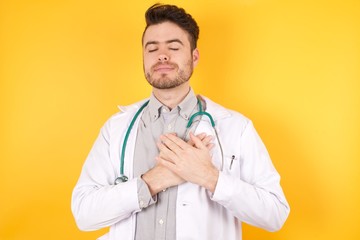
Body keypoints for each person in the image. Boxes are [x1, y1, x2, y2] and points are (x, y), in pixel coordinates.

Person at [71, 3, 290, 240]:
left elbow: (275, 213)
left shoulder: (236, 128)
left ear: (194, 57)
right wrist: (153, 181)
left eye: (173, 47)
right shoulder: (116, 128)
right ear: (143, 57)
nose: (162, 55)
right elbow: (84, 213)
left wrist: (208, 176)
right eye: (152, 49)